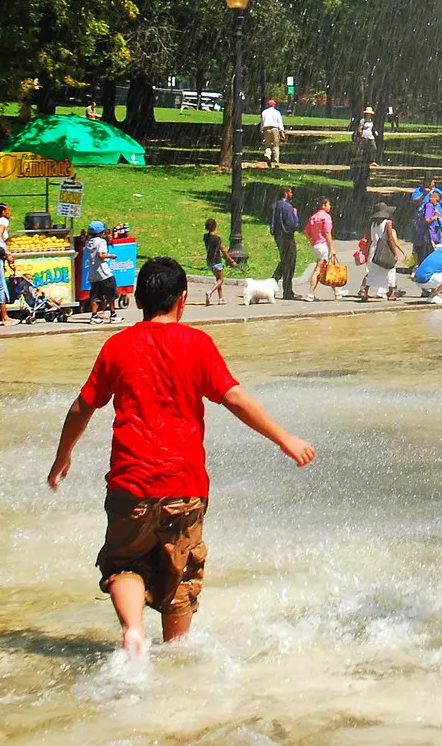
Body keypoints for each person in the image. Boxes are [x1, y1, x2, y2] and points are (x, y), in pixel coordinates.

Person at [46, 257, 316, 658]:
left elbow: (81, 408)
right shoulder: (198, 345)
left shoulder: (116, 346)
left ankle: (134, 632)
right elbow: (234, 398)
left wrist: (62, 456)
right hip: (183, 487)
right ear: (183, 300)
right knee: (181, 583)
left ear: (138, 300)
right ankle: (175, 660)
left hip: (130, 486)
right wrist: (284, 438)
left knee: (125, 565)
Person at [364, 202, 404, 301]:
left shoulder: (373, 224)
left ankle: (365, 291)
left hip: (373, 249)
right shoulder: (387, 223)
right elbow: (390, 238)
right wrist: (395, 253)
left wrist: (366, 251)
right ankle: (391, 294)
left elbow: (369, 239)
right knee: (390, 270)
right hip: (384, 249)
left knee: (373, 271)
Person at [269, 187, 301, 299]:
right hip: (287, 238)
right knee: (289, 263)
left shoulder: (275, 205)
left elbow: (273, 222)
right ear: (286, 193)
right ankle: (287, 291)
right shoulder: (288, 207)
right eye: (290, 192)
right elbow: (293, 225)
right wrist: (295, 215)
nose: (292, 194)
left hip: (279, 237)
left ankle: (271, 284)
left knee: (284, 261)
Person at [84, 220, 119, 323]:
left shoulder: (88, 242)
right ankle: (113, 315)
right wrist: (111, 256)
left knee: (95, 295)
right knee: (110, 295)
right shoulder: (101, 241)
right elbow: (101, 255)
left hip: (93, 273)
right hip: (104, 273)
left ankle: (94, 316)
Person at [411, 176, 442, 260]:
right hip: (423, 225)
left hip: (436, 224)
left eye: (431, 181)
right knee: (421, 245)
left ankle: (436, 262)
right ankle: (420, 262)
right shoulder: (419, 191)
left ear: (434, 182)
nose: (429, 183)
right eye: (427, 181)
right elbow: (415, 202)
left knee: (437, 245)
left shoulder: (438, 192)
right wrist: (424, 194)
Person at [202, 218, 226, 306]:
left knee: (218, 279)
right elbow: (223, 250)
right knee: (221, 279)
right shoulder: (217, 238)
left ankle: (221, 299)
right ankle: (210, 292)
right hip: (217, 262)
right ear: (214, 226)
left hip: (209, 261)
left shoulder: (205, 237)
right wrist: (231, 260)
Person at [258, 99, 286, 168]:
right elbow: (280, 123)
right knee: (275, 146)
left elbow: (262, 122)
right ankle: (276, 162)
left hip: (266, 129)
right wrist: (282, 132)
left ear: (268, 105)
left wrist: (261, 131)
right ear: (274, 105)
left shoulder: (264, 112)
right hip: (274, 129)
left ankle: (267, 155)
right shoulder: (277, 112)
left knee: (267, 145)